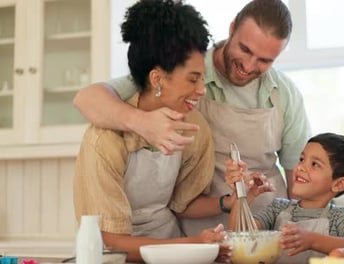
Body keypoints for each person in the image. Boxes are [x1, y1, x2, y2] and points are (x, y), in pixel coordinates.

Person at [72, 0, 311, 236]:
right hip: (200, 229)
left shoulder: (284, 94)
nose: (248, 66)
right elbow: (86, 99)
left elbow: (299, 180)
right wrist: (143, 122)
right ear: (232, 27)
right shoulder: (183, 65)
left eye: (265, 60)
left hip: (268, 228)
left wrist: (302, 234)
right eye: (245, 49)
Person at [73, 1, 231, 262]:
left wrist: (230, 202)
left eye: (202, 77)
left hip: (171, 246)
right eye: (193, 79)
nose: (202, 89)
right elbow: (109, 242)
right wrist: (193, 244)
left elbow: (182, 203)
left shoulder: (195, 127)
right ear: (157, 79)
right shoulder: (104, 141)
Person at [225, 133, 344, 264]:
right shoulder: (277, 208)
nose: (301, 167)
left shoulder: (340, 217)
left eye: (315, 164)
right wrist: (243, 195)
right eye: (302, 159)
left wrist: (312, 240)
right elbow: (240, 238)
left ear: (339, 184)